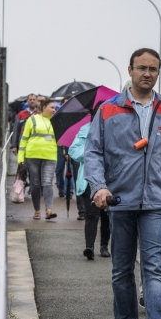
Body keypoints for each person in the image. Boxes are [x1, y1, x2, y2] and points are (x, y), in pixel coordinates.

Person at [84, 48, 161, 319]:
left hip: (157, 203)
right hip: (120, 201)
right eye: (142, 68)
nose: (147, 73)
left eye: (153, 69)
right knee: (121, 272)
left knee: (154, 270)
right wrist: (99, 187)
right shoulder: (108, 109)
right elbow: (92, 153)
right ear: (130, 70)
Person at [69, 110, 110, 259]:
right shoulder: (85, 129)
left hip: (109, 179)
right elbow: (73, 150)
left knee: (106, 215)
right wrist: (90, 152)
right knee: (91, 214)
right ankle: (89, 247)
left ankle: (104, 246)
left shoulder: (115, 128)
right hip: (88, 178)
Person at [17, 99, 58, 220]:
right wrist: (20, 157)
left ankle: (49, 210)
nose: (54, 110)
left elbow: (59, 141)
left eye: (55, 108)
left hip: (50, 156)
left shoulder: (56, 121)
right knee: (35, 184)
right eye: (51, 107)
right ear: (44, 107)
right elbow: (24, 139)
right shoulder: (32, 119)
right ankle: (37, 210)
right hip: (33, 156)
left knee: (47, 182)